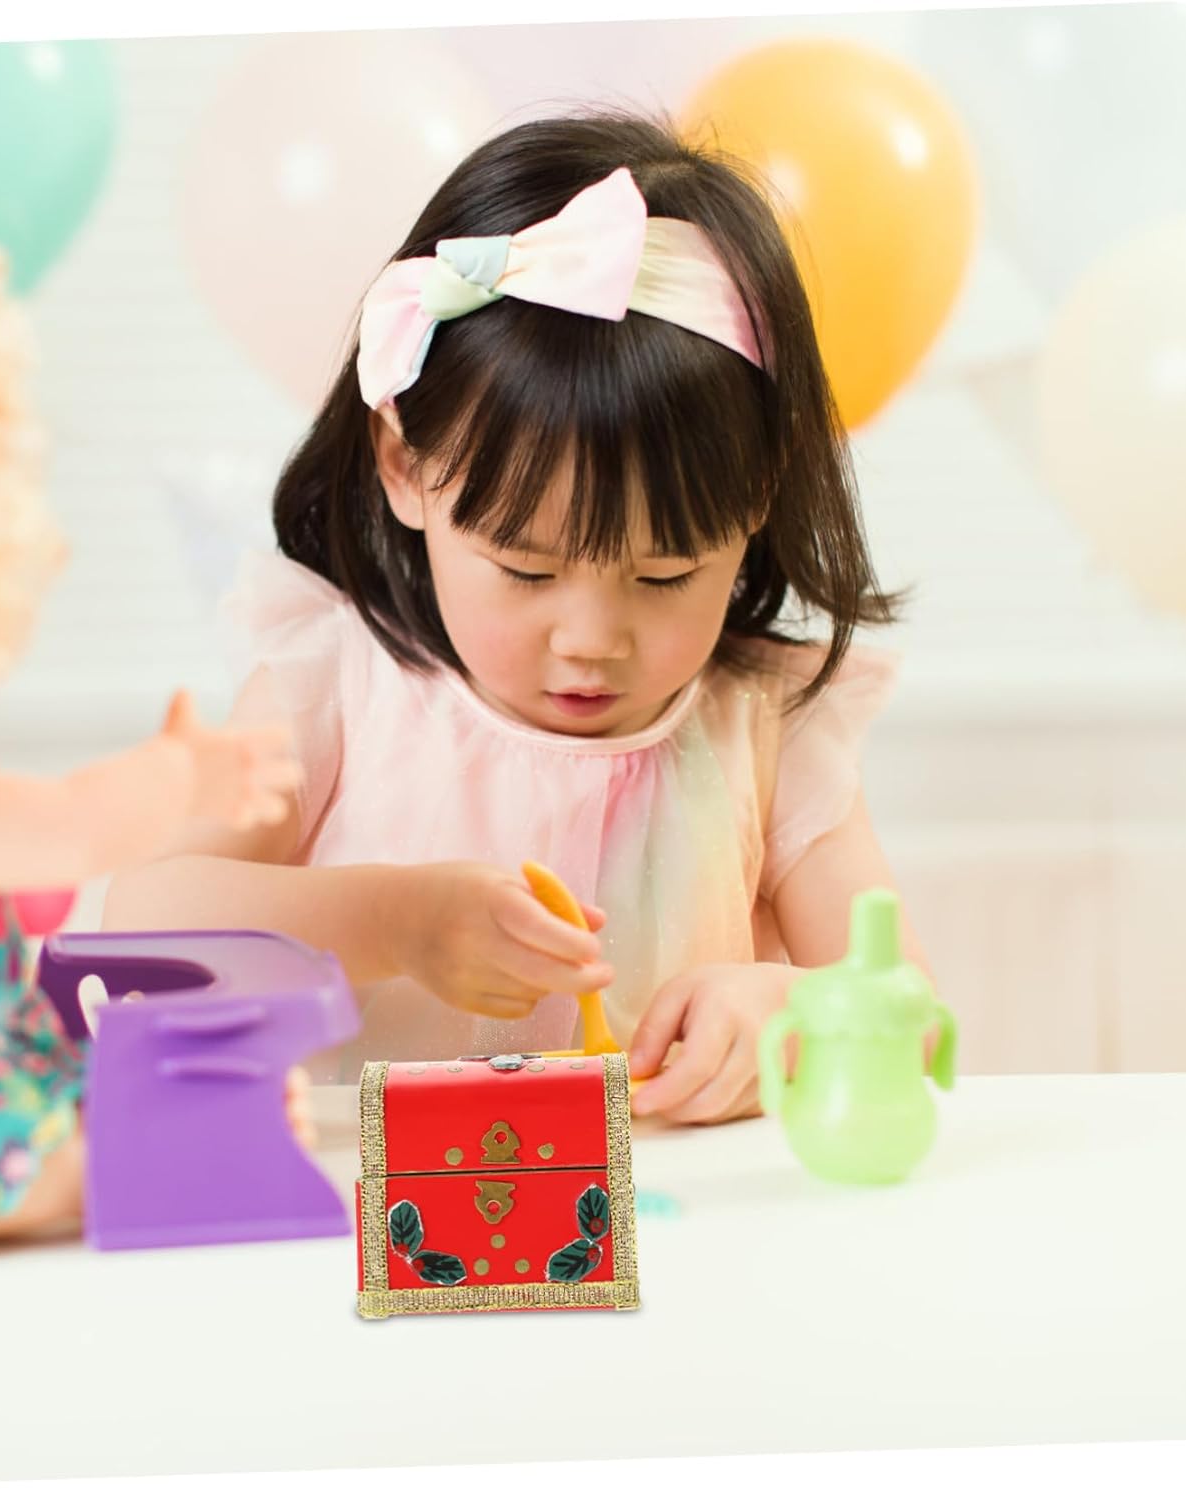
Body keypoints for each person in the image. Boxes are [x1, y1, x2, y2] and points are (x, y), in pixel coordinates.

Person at [104, 110, 931, 1124]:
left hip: (685, 1220)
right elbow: (137, 926)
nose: (591, 639)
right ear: (406, 466)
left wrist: (793, 1011)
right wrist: (393, 922)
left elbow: (914, 1019)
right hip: (375, 1222)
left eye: (665, 575)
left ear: (759, 493)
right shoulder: (336, 689)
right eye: (526, 569)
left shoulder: (765, 726)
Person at [0, 207, 302, 1259]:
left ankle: (152, 1123)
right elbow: (62, 829)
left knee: (85, 1074)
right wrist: (182, 775)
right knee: (55, 1166)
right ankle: (151, 1156)